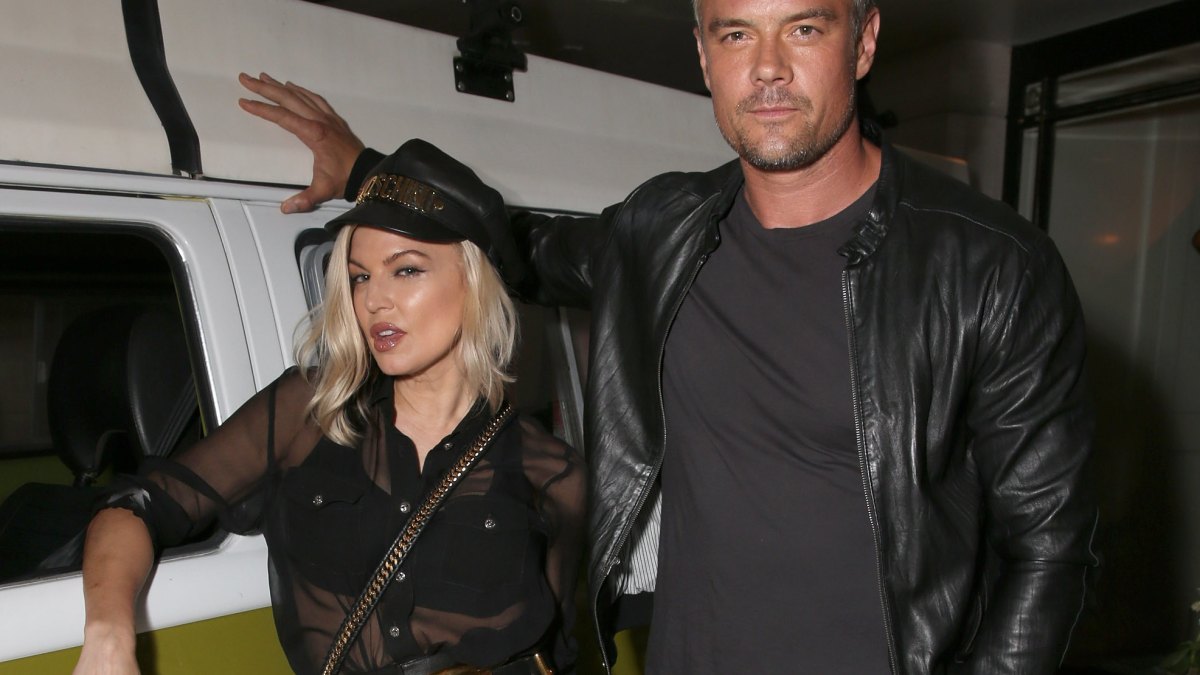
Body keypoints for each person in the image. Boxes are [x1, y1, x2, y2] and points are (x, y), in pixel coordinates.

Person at [237, 0, 1100, 671]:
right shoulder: (662, 231)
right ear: (703, 53)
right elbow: (510, 250)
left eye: (804, 28)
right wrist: (369, 174)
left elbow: (1051, 545)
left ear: (864, 41)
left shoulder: (990, 267)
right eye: (736, 34)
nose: (768, 67)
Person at [73, 141, 585, 675]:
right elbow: (138, 504)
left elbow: (559, 653)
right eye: (361, 276)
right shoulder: (310, 412)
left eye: (406, 270)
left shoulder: (552, 472)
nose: (374, 300)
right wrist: (108, 636)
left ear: (475, 280)